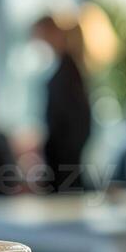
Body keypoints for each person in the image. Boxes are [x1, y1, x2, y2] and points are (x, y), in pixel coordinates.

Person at [32, 11, 93, 194]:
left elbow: (77, 122)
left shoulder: (67, 72)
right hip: (63, 163)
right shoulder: (66, 68)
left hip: (64, 165)